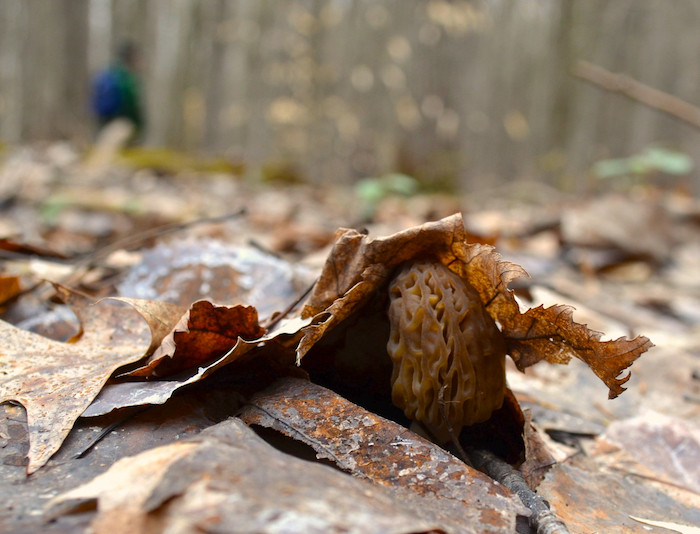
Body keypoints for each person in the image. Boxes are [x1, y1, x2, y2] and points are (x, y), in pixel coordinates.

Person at [91, 41, 145, 141]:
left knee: (104, 142)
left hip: (103, 119)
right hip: (121, 121)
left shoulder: (107, 72)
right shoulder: (126, 78)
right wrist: (139, 124)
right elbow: (131, 105)